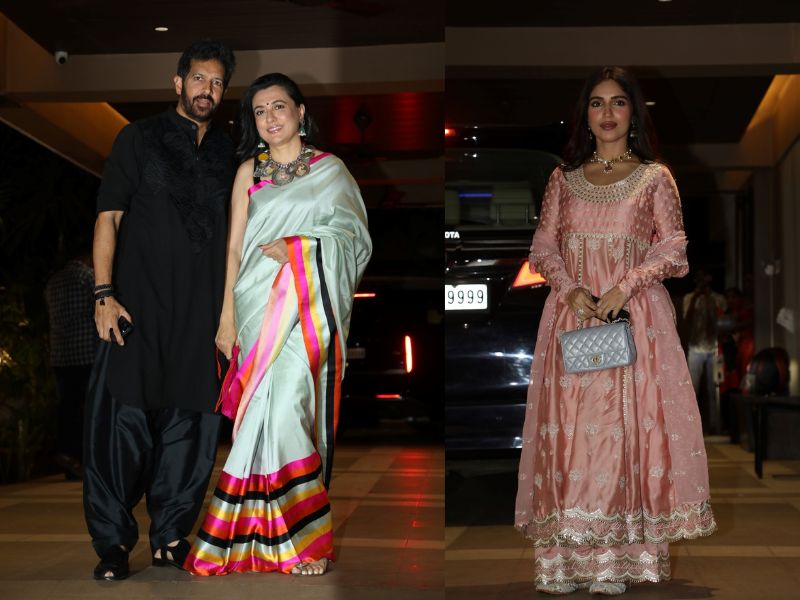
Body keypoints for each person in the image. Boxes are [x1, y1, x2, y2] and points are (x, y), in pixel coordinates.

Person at [514, 67, 716, 596]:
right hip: (574, 317)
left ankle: (616, 560)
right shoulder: (563, 179)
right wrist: (570, 289)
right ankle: (566, 560)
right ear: (585, 114)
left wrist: (625, 287)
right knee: (570, 430)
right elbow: (543, 246)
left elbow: (674, 247)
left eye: (618, 102)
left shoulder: (654, 178)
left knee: (622, 431)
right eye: (597, 103)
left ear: (634, 113)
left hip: (633, 320)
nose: (607, 113)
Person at [184, 73, 371, 577]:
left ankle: (304, 540)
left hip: (306, 310)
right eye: (260, 111)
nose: (270, 117)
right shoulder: (249, 170)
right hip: (254, 306)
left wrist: (301, 248)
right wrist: (226, 316)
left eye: (279, 107)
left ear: (301, 112)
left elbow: (354, 240)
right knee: (257, 419)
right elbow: (233, 249)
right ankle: (255, 539)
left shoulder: (331, 170)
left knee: (288, 408)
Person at [83, 40, 237, 581]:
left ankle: (171, 537)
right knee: (120, 427)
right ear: (178, 82)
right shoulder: (138, 137)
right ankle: (112, 545)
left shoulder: (230, 152)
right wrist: (104, 294)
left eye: (216, 82)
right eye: (198, 78)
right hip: (136, 308)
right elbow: (109, 217)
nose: (206, 90)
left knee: (190, 429)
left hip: (201, 316)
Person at [44, 252, 98, 479]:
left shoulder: (53, 281)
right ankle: (86, 458)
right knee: (90, 408)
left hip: (61, 355)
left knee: (68, 406)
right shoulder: (88, 277)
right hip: (87, 353)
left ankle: (68, 454)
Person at [682, 269, 726, 433]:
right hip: (695, 348)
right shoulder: (689, 298)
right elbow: (687, 319)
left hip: (713, 348)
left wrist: (709, 298)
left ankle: (715, 425)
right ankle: (691, 426)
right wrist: (696, 297)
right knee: (693, 389)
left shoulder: (717, 298)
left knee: (714, 389)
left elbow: (722, 316)